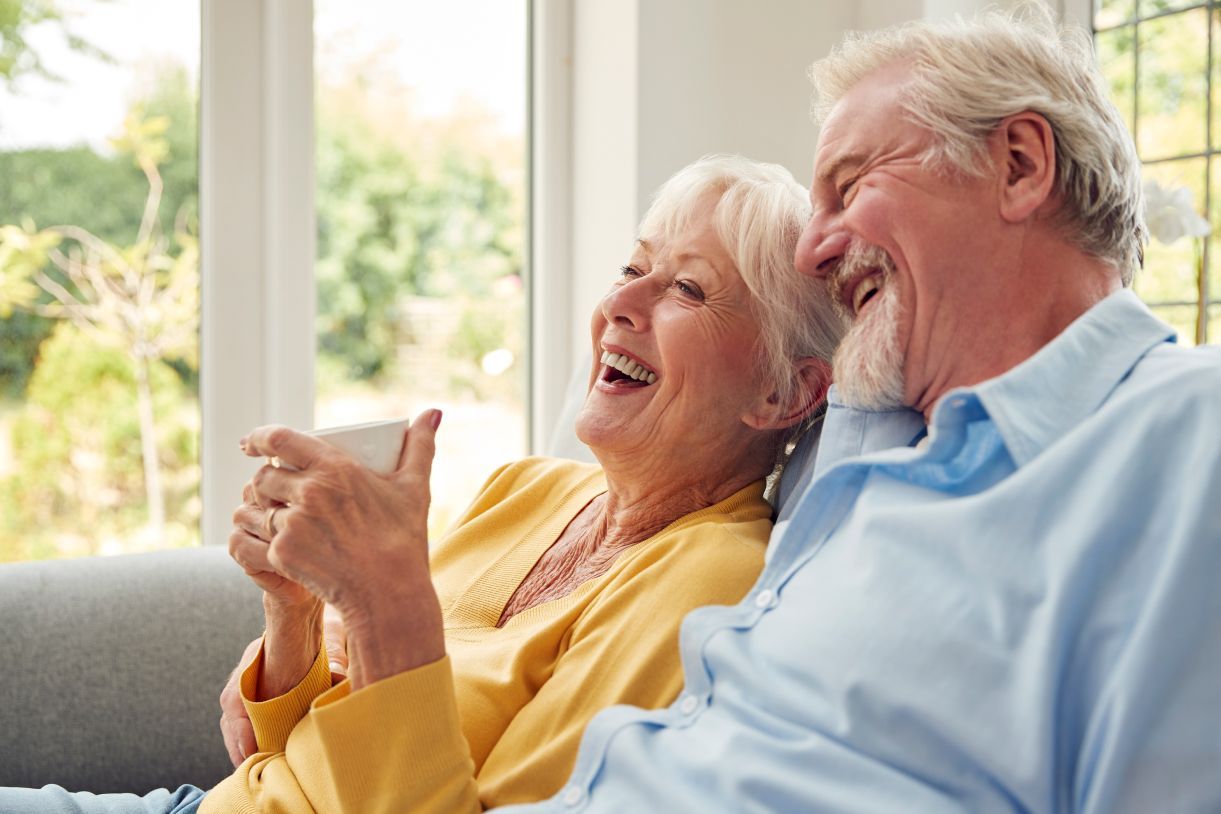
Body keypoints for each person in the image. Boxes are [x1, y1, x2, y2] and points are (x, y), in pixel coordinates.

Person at [226, 5, 1217, 812]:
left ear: (1019, 165)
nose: (812, 248)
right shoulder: (871, 450)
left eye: (850, 184)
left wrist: (385, 606)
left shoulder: (1181, 443)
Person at [0, 154, 842, 813]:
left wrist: (380, 599)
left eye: (688, 289)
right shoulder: (530, 489)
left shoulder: (708, 581)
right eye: (632, 269)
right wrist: (293, 608)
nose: (622, 306)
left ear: (783, 393)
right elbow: (288, 757)